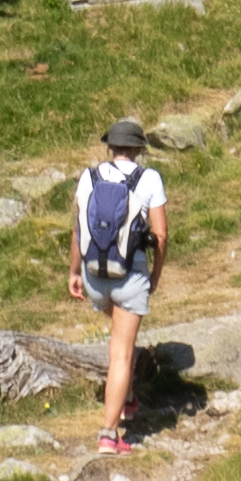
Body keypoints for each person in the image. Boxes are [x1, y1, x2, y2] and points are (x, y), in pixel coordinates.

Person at [66, 115, 169, 453]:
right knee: (121, 354)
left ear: (110, 146)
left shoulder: (89, 176)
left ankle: (126, 397)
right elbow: (161, 234)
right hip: (130, 274)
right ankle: (109, 433)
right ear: (139, 148)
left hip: (96, 274)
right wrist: (155, 274)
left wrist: (74, 272)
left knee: (120, 341)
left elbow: (79, 230)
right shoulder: (149, 178)